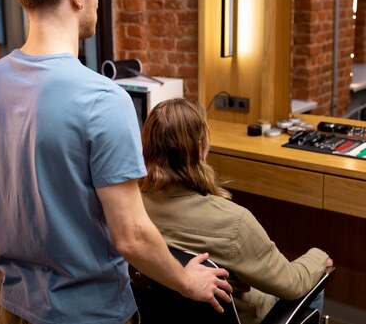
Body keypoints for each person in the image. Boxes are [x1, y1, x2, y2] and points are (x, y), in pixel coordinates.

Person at [0, 0, 231, 324]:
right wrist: (186, 281)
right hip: (90, 314)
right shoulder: (102, 100)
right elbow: (132, 236)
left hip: (17, 309)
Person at [139, 98, 333, 324]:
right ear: (201, 147)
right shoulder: (234, 222)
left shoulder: (130, 208)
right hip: (237, 314)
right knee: (315, 281)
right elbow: (292, 284)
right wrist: (319, 256)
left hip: (163, 313)